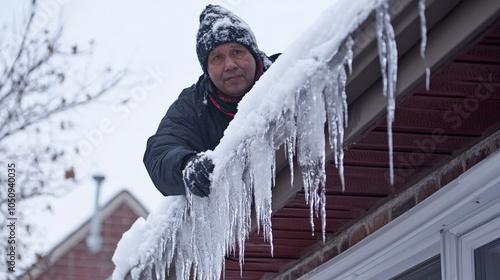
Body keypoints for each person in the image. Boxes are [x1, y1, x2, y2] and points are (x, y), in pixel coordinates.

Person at [143, 4, 279, 198]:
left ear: (253, 53)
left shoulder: (285, 73)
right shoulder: (192, 105)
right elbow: (159, 154)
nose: (230, 65)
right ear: (207, 69)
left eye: (237, 52)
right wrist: (186, 164)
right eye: (217, 58)